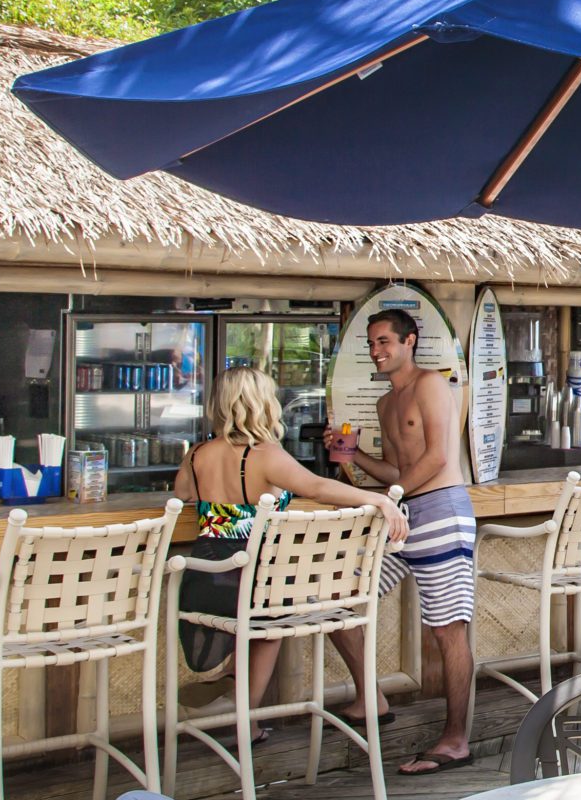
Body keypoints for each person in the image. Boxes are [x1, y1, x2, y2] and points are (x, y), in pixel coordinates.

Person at [172, 365, 407, 728]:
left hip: (206, 579)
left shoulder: (197, 454)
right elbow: (319, 488)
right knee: (273, 611)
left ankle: (236, 681)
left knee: (265, 607)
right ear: (264, 404)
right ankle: (245, 717)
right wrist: (380, 501)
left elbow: (182, 494)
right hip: (256, 579)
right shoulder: (264, 455)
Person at [327, 307, 479, 772]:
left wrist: (384, 499)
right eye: (371, 344)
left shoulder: (431, 384)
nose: (376, 351)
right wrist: (355, 459)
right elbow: (397, 471)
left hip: (441, 511)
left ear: (409, 341)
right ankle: (371, 697)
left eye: (384, 342)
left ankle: (455, 740)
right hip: (403, 515)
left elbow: (437, 457)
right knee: (338, 601)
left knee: (447, 628)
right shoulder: (384, 404)